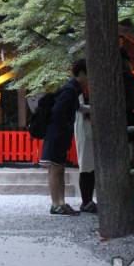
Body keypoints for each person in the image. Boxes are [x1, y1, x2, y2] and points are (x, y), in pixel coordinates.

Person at [40, 59, 88, 216]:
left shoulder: (72, 89)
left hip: (59, 134)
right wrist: (66, 127)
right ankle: (56, 204)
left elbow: (76, 108)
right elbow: (57, 112)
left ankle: (61, 202)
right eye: (88, 74)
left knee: (59, 169)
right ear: (81, 73)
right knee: (55, 169)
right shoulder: (70, 90)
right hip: (57, 134)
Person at [74, 85, 96, 213]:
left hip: (89, 128)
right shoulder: (78, 89)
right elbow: (80, 107)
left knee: (90, 167)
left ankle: (89, 200)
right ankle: (85, 201)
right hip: (83, 128)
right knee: (85, 166)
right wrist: (96, 108)